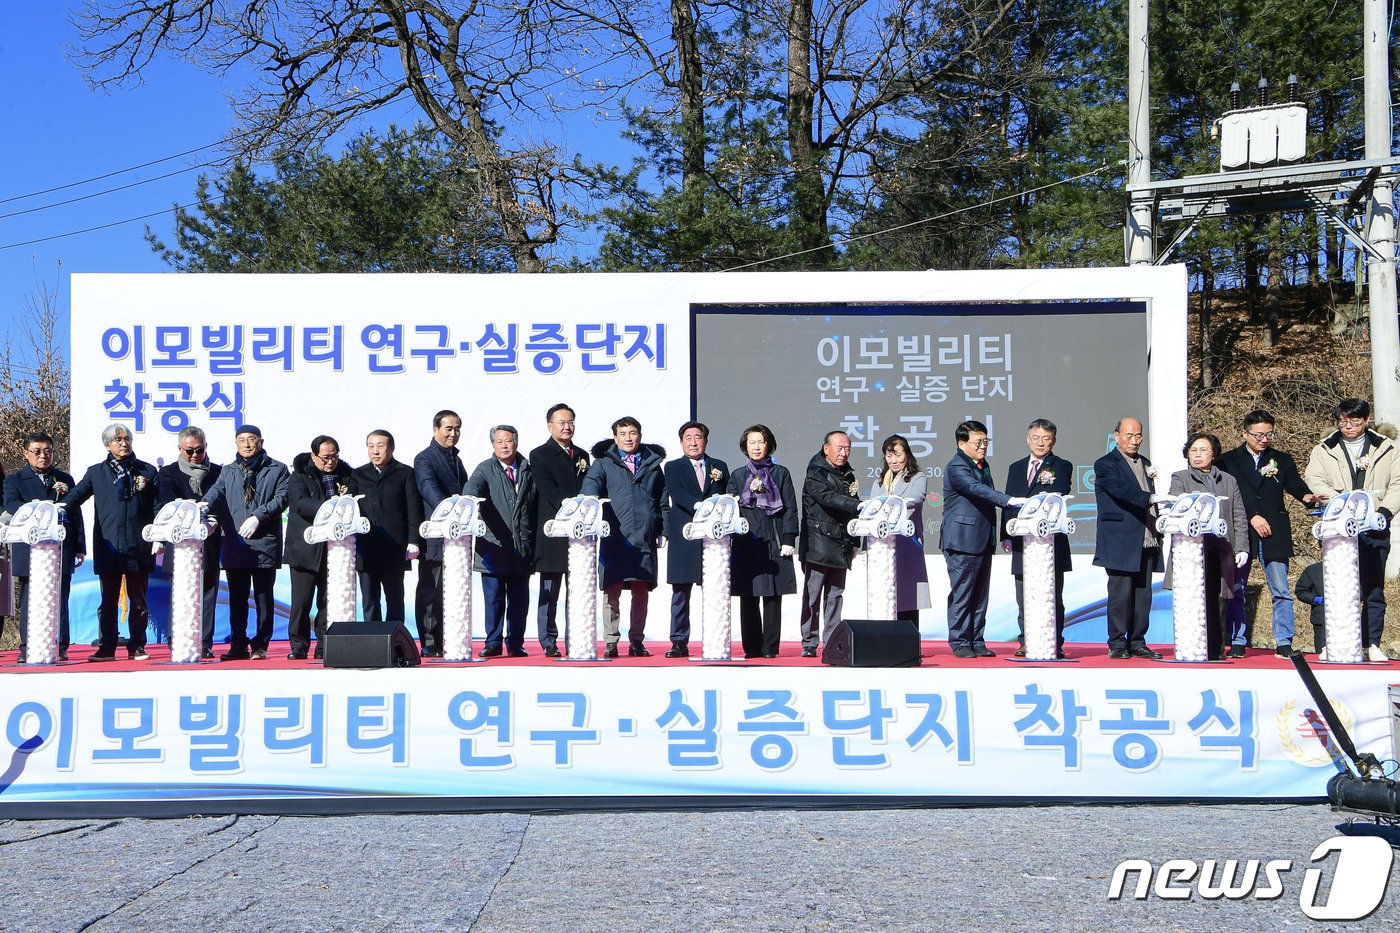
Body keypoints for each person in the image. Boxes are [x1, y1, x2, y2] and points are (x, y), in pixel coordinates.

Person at [1218, 409, 1323, 658]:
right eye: (1258, 435)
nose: (1263, 439)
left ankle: (1284, 641)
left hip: (1274, 530)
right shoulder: (1228, 460)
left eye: (1269, 434)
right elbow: (1235, 493)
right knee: (1236, 587)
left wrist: (1307, 497)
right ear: (1244, 433)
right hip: (1242, 528)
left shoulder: (1281, 459)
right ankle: (1238, 639)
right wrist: (1252, 515)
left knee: (1281, 589)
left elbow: (1294, 483)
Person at [1304, 397, 1400, 662]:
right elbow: (1313, 478)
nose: (1348, 426)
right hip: (1339, 527)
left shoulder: (1387, 448)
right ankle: (1334, 641)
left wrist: (1382, 511)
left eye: (1355, 421)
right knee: (1339, 586)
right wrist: (1341, 501)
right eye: (1343, 421)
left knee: (1373, 587)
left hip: (1374, 527)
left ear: (1367, 420)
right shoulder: (1325, 448)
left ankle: (1372, 642)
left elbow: (1397, 483)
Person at [61, 424, 160, 662]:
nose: (124, 443)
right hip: (109, 547)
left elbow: (158, 506)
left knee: (139, 601)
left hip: (139, 545)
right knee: (108, 601)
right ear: (107, 445)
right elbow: (75, 496)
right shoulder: (96, 472)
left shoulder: (147, 471)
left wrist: (159, 535)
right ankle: (107, 647)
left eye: (127, 439)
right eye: (118, 440)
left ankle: (137, 646)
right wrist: (57, 507)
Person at [200, 425, 289, 661]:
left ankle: (260, 645)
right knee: (237, 599)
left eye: (251, 440)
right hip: (235, 543)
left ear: (260, 441)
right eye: (242, 440)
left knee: (262, 597)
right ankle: (237, 645)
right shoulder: (228, 470)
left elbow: (282, 498)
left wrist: (258, 516)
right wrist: (202, 506)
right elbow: (216, 492)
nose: (247, 445)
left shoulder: (277, 469)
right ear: (236, 443)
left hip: (264, 543)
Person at [581, 416, 665, 658]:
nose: (629, 438)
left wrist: (661, 528)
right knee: (612, 589)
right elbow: (591, 489)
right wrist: (591, 511)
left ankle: (637, 641)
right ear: (615, 438)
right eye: (623, 433)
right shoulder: (603, 463)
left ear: (640, 435)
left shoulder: (651, 463)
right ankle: (611, 641)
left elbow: (662, 500)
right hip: (615, 534)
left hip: (644, 535)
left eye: (633, 433)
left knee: (641, 590)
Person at [940, 420, 1022, 658]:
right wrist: (1009, 500)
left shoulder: (981, 464)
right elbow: (976, 489)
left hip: (982, 538)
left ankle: (976, 639)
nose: (983, 446)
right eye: (978, 442)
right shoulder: (957, 466)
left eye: (986, 441)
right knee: (963, 591)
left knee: (980, 594)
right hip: (961, 540)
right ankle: (959, 641)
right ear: (961, 443)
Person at [1164, 433, 1250, 661]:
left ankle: (1215, 649)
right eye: (1193, 450)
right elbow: (1175, 504)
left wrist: (1242, 547)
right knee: (1192, 599)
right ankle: (1191, 647)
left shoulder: (1228, 480)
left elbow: (1239, 515)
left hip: (1220, 548)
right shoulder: (1180, 477)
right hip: (1190, 549)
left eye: (1203, 450)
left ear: (1214, 453)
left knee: (1219, 599)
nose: (1198, 455)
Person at [1093, 417, 1171, 660]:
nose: (1134, 440)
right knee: (1120, 593)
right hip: (1119, 539)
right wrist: (1149, 499)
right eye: (1128, 435)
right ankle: (1117, 643)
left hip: (1146, 538)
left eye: (1138, 435)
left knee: (1143, 593)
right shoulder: (1105, 464)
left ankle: (1137, 641)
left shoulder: (1145, 462)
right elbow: (1120, 490)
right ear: (1116, 436)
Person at [3, 432, 85, 662]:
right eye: (37, 451)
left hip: (61, 546)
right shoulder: (14, 480)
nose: (43, 456)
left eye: (48, 451)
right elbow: (11, 504)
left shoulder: (64, 479)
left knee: (60, 596)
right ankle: (27, 646)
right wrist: (42, 510)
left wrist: (79, 545)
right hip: (29, 547)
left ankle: (59, 645)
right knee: (30, 598)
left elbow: (75, 512)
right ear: (26, 453)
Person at [464, 425, 539, 657]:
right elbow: (473, 486)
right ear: (493, 445)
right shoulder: (485, 468)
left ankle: (515, 643)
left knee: (519, 602)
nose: (504, 445)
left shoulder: (529, 469)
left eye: (508, 441)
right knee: (494, 600)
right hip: (493, 546)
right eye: (499, 442)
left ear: (516, 442)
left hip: (522, 545)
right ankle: (493, 642)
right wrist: (469, 498)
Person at [1001, 419, 1073, 657]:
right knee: (1024, 594)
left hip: (1050, 541)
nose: (1040, 443)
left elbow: (1059, 492)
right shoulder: (1016, 467)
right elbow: (1008, 503)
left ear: (1053, 440)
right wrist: (1006, 534)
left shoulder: (1062, 466)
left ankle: (1054, 641)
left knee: (1052, 594)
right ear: (1028, 438)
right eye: (1036, 437)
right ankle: (1026, 640)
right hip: (1023, 540)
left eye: (1045, 438)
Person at [284, 435, 357, 660]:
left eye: (334, 456)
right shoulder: (299, 476)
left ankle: (325, 645)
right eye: (325, 457)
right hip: (305, 549)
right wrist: (332, 508)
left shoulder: (347, 476)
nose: (330, 461)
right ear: (314, 456)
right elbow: (298, 503)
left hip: (336, 550)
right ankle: (299, 645)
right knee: (301, 602)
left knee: (328, 601)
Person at [728, 424, 798, 659]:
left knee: (772, 596)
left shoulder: (781, 473)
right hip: (746, 542)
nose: (757, 447)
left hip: (774, 540)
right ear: (745, 447)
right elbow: (729, 509)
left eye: (761, 442)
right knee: (748, 596)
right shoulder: (738, 475)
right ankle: (751, 648)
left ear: (769, 444)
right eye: (752, 443)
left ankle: (770, 648)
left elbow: (790, 508)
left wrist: (789, 538)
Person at [662, 421, 729, 658]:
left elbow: (725, 495)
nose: (693, 442)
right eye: (688, 438)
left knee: (716, 590)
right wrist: (700, 506)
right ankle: (679, 641)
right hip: (686, 535)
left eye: (698, 437)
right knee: (681, 592)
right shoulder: (672, 467)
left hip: (715, 539)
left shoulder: (719, 466)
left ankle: (715, 639)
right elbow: (677, 494)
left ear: (706, 441)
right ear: (681, 442)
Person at [156, 426, 224, 659]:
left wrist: (212, 519)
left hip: (209, 539)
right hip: (181, 543)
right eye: (189, 451)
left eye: (199, 450)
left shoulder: (218, 472)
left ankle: (204, 641)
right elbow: (167, 503)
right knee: (181, 593)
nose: (194, 455)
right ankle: (177, 638)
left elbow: (221, 501)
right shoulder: (168, 473)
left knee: (208, 592)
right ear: (179, 449)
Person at [529, 403, 588, 658]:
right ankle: (548, 640)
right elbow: (547, 488)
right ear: (549, 425)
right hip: (554, 530)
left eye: (571, 422)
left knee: (579, 590)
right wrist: (570, 507)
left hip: (580, 532)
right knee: (550, 590)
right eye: (562, 422)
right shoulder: (539, 454)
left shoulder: (582, 454)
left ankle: (577, 637)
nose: (567, 427)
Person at [798, 430, 860, 658]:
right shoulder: (816, 473)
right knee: (812, 596)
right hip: (818, 542)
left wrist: (855, 541)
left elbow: (854, 510)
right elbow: (827, 498)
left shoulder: (848, 475)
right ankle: (809, 641)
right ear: (826, 449)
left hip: (841, 543)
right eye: (839, 448)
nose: (844, 453)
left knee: (835, 595)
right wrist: (858, 506)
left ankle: (832, 639)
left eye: (847, 449)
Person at [352, 429, 422, 623]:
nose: (375, 451)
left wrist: (414, 541)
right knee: (369, 599)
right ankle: (372, 644)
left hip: (394, 548)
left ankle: (396, 644)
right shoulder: (358, 475)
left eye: (380, 446)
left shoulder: (405, 473)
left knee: (395, 598)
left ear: (391, 448)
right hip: (365, 548)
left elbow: (413, 509)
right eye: (371, 446)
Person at [413, 410, 467, 657]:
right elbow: (428, 489)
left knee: (452, 589)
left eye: (457, 429)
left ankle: (449, 637)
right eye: (448, 429)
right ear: (435, 430)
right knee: (430, 589)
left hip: (456, 537)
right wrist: (451, 511)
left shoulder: (456, 458)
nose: (453, 434)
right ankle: (428, 640)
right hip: (435, 532)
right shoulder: (425, 458)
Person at [871, 434, 930, 625]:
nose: (893, 460)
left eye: (898, 455)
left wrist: (892, 503)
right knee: (884, 594)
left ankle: (910, 642)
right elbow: (872, 506)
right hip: (882, 546)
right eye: (889, 456)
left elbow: (917, 497)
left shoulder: (917, 477)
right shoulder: (880, 481)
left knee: (908, 595)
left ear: (907, 455)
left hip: (907, 544)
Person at [1294, 560, 1326, 658]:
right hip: (1321, 621)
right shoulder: (1313, 570)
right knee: (1322, 655)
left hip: (1348, 622)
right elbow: (1300, 591)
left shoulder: (1350, 568)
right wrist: (1316, 599)